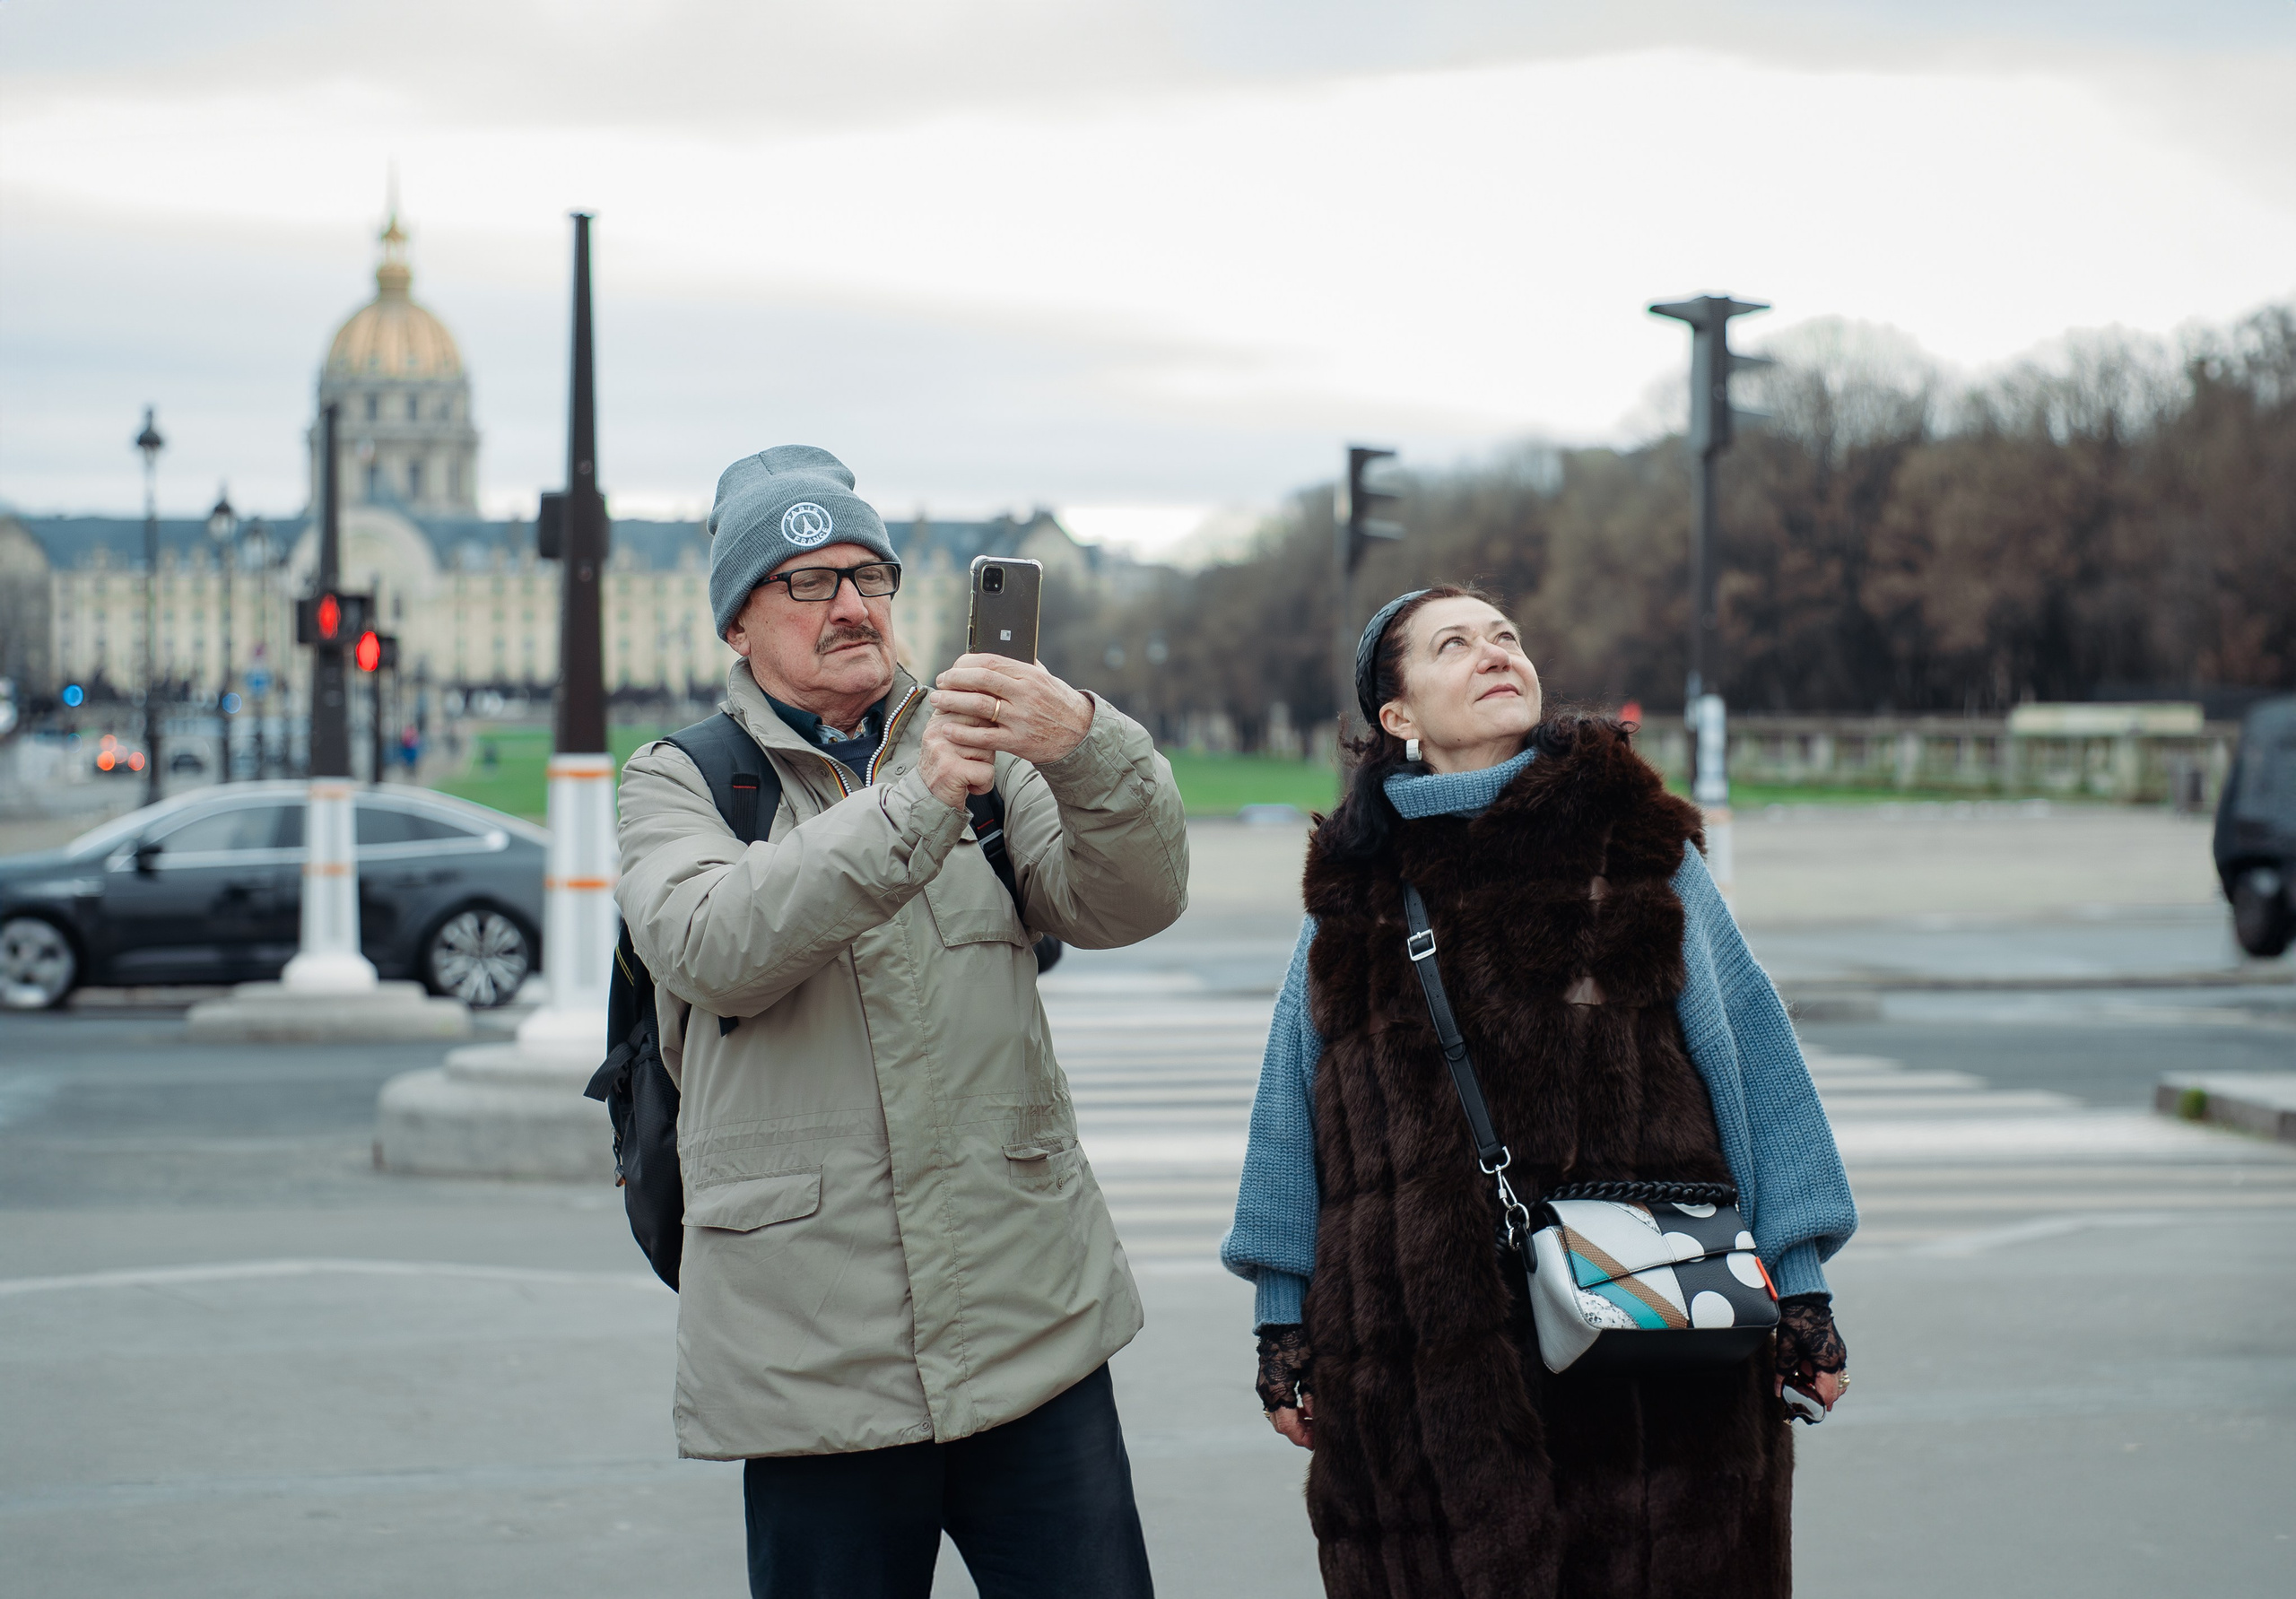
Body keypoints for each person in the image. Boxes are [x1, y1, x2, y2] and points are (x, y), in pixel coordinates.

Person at [615, 445, 1188, 1599]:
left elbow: (1133, 899)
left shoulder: (988, 755)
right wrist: (918, 798)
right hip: (814, 1361)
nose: (851, 607)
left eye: (870, 577)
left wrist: (1084, 738)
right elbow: (717, 946)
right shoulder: (678, 782)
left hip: (1030, 1330)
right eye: (808, 582)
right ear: (736, 622)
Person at [1221, 585, 1857, 1599]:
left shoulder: (1637, 848)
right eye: (1453, 644)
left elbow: (1757, 1068)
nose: (1493, 652)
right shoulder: (1357, 889)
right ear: (1397, 716)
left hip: (1649, 1354)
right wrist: (1281, 1315)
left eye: (1505, 636)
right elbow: (1289, 1112)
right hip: (1419, 1374)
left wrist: (1803, 1286)